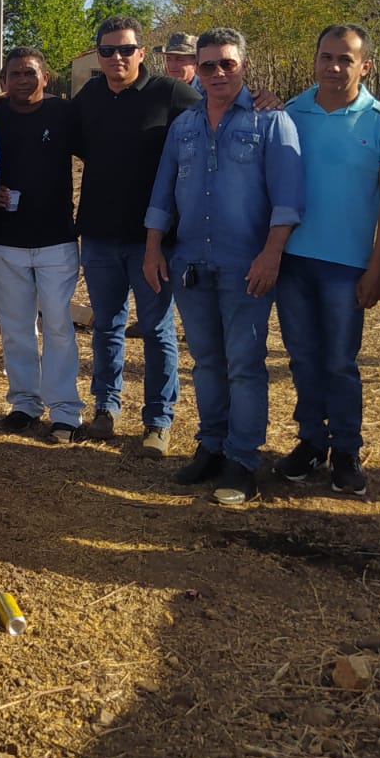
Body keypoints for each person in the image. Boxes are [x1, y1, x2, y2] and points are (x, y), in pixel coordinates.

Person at [143, 27, 303, 505]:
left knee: (245, 366)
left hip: (246, 265)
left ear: (243, 66)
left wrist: (272, 253)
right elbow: (162, 191)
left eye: (227, 63)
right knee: (206, 362)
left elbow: (288, 198)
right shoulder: (184, 125)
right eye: (208, 64)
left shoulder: (272, 121)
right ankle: (211, 445)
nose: (217, 73)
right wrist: (153, 248)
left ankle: (243, 460)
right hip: (191, 262)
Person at [272, 24, 380, 497]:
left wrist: (379, 266)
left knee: (339, 362)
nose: (333, 67)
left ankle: (347, 449)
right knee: (302, 358)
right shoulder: (291, 113)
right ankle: (311, 441)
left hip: (348, 265)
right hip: (293, 260)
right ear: (315, 60)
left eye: (345, 58)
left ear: (364, 65)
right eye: (326, 57)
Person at [67, 17, 200, 456]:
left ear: (142, 52)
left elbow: (219, 115)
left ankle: (158, 420)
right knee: (106, 325)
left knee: (158, 331)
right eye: (107, 51)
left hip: (153, 241)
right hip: (99, 235)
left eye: (126, 49)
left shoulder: (172, 94)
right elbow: (67, 137)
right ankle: (105, 408)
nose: (117, 58)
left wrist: (261, 101)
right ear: (98, 55)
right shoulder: (89, 96)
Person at [0, 47, 82, 441]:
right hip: (5, 241)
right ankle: (25, 402)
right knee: (16, 328)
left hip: (56, 239)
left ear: (46, 77)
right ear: (3, 81)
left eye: (30, 73)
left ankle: (65, 410)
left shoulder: (65, 114)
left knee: (58, 325)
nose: (23, 80)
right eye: (15, 74)